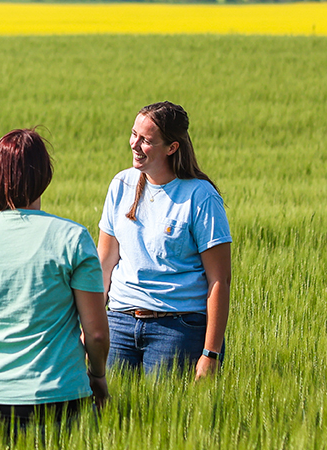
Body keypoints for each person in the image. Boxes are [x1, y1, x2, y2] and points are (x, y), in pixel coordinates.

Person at [0, 129, 109, 436]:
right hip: (59, 397)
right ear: (45, 175)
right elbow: (97, 333)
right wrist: (97, 377)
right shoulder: (73, 239)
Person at [97, 101, 232, 380]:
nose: (134, 144)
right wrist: (92, 327)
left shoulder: (200, 196)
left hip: (177, 330)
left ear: (171, 148)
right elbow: (105, 263)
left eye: (146, 140)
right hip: (119, 323)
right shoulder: (121, 184)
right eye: (134, 134)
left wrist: (211, 353)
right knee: (112, 415)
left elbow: (219, 280)